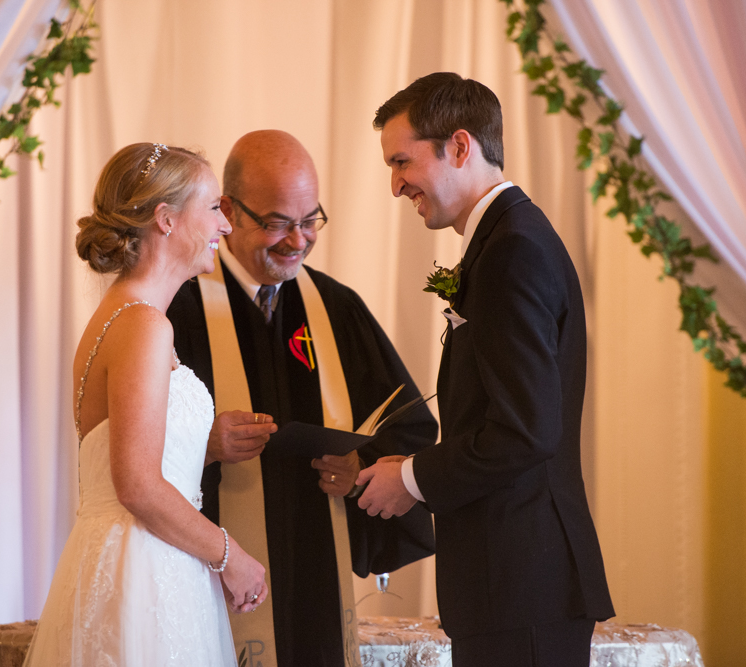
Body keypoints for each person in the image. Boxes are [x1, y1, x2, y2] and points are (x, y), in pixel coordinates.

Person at [357, 73, 614, 666]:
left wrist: (414, 479)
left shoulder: (513, 251)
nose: (395, 185)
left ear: (460, 146)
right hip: (514, 582)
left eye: (402, 161)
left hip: (522, 581)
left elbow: (525, 430)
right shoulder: (506, 239)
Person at [167, 130, 437, 667]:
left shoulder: (337, 309)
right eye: (276, 223)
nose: (297, 240)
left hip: (317, 576)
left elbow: (408, 428)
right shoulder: (178, 307)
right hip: (208, 579)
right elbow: (120, 445)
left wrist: (360, 467)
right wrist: (203, 443)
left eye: (310, 220)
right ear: (228, 211)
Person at [23, 143, 269, 666]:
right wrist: (231, 555)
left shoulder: (125, 316)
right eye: (213, 209)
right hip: (144, 573)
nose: (225, 226)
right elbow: (136, 484)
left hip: (142, 561)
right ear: (165, 219)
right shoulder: (142, 325)